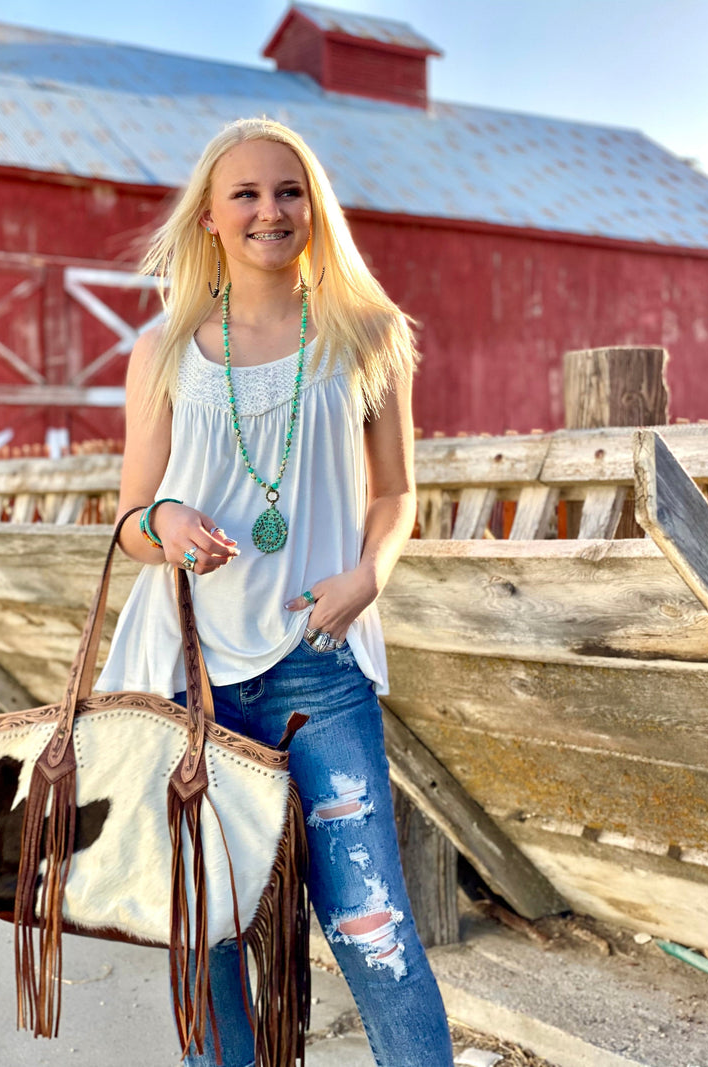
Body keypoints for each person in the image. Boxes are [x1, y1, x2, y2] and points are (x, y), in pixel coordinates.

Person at [96, 116, 454, 1067]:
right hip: (188, 683)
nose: (269, 210)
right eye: (245, 195)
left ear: (314, 207)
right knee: (209, 937)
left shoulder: (369, 336)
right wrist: (166, 524)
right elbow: (129, 521)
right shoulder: (164, 351)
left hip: (320, 671)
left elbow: (395, 492)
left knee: (371, 927)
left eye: (288, 192)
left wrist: (369, 575)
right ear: (210, 217)